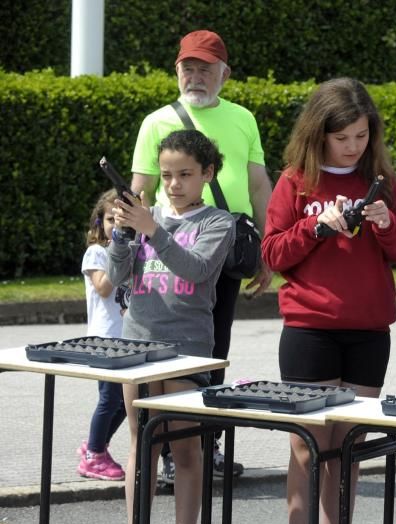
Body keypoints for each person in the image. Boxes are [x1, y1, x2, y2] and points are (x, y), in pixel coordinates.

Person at [261, 78, 396, 524]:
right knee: (309, 448)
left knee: (347, 452)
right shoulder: (295, 182)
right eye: (342, 137)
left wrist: (385, 221)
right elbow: (274, 254)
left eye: (360, 135)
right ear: (318, 134)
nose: (352, 146)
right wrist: (316, 229)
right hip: (309, 329)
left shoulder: (381, 180)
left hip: (369, 330)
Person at [130, 29, 273, 483]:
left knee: (214, 349)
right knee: (163, 349)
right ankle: (171, 452)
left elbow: (258, 185)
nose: (195, 76)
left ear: (224, 75)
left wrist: (267, 248)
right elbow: (140, 189)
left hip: (225, 248)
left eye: (205, 69)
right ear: (177, 71)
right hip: (169, 253)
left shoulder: (242, 118)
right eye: (187, 67)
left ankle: (200, 445)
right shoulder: (156, 121)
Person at [104, 129, 235, 524]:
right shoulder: (148, 216)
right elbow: (115, 276)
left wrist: (151, 230)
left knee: (185, 449)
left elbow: (196, 271)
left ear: (207, 173)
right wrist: (120, 236)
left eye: (185, 174)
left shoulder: (219, 222)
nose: (174, 184)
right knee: (142, 447)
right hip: (136, 347)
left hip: (187, 352)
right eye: (166, 175)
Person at [77, 189, 126, 481]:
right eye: (111, 219)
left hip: (126, 339)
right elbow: (105, 287)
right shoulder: (96, 252)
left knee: (124, 402)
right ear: (99, 223)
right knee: (109, 399)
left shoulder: (128, 251)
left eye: (122, 220)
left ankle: (94, 446)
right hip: (104, 340)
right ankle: (94, 455)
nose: (116, 226)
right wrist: (120, 248)